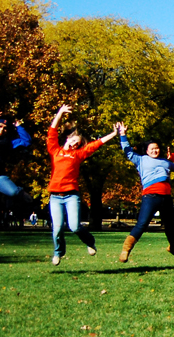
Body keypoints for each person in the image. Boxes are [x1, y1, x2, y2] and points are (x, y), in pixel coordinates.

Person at [45, 105, 117, 265]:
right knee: (57, 229)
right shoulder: (55, 151)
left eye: (78, 144)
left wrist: (113, 134)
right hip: (55, 197)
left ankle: (90, 242)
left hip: (71, 195)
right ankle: (58, 253)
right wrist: (60, 113)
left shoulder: (77, 155)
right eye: (73, 142)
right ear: (68, 138)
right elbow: (52, 130)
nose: (75, 145)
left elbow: (95, 144)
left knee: (75, 227)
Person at [116, 123, 174, 263]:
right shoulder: (141, 160)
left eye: (157, 148)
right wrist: (123, 135)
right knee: (142, 224)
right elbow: (127, 151)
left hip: (166, 198)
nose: (155, 150)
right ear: (147, 150)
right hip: (150, 197)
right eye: (152, 149)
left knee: (170, 225)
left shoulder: (165, 161)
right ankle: (126, 250)